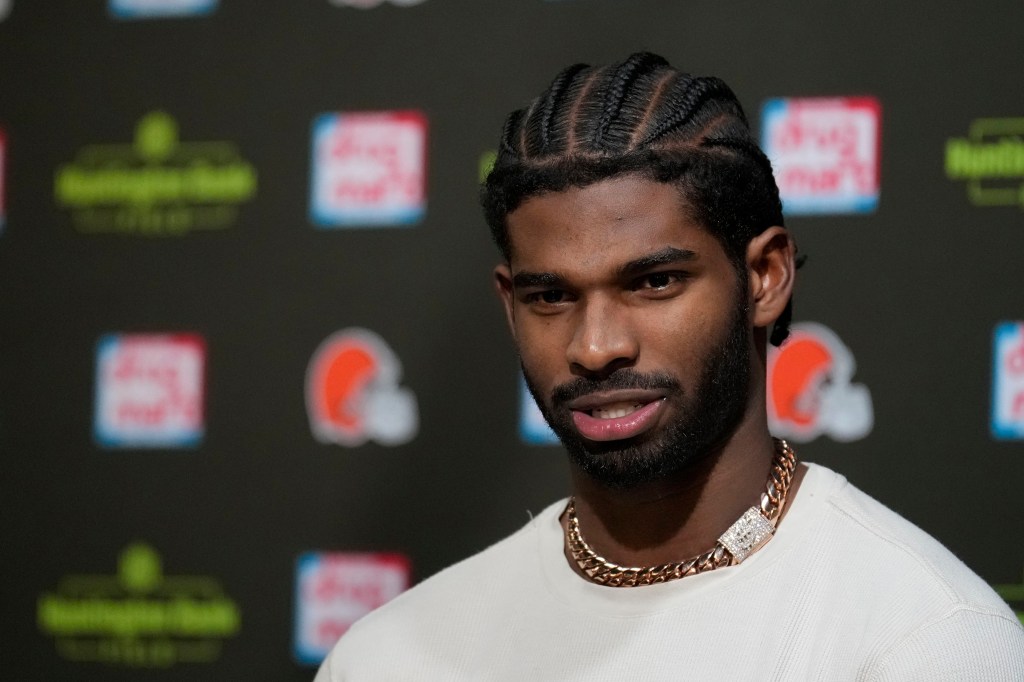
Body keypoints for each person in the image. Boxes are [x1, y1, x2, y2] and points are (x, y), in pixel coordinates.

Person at [314, 52, 1024, 680]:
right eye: (551, 296)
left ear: (766, 278)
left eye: (654, 283)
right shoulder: (387, 658)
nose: (595, 348)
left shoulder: (930, 646)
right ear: (509, 303)